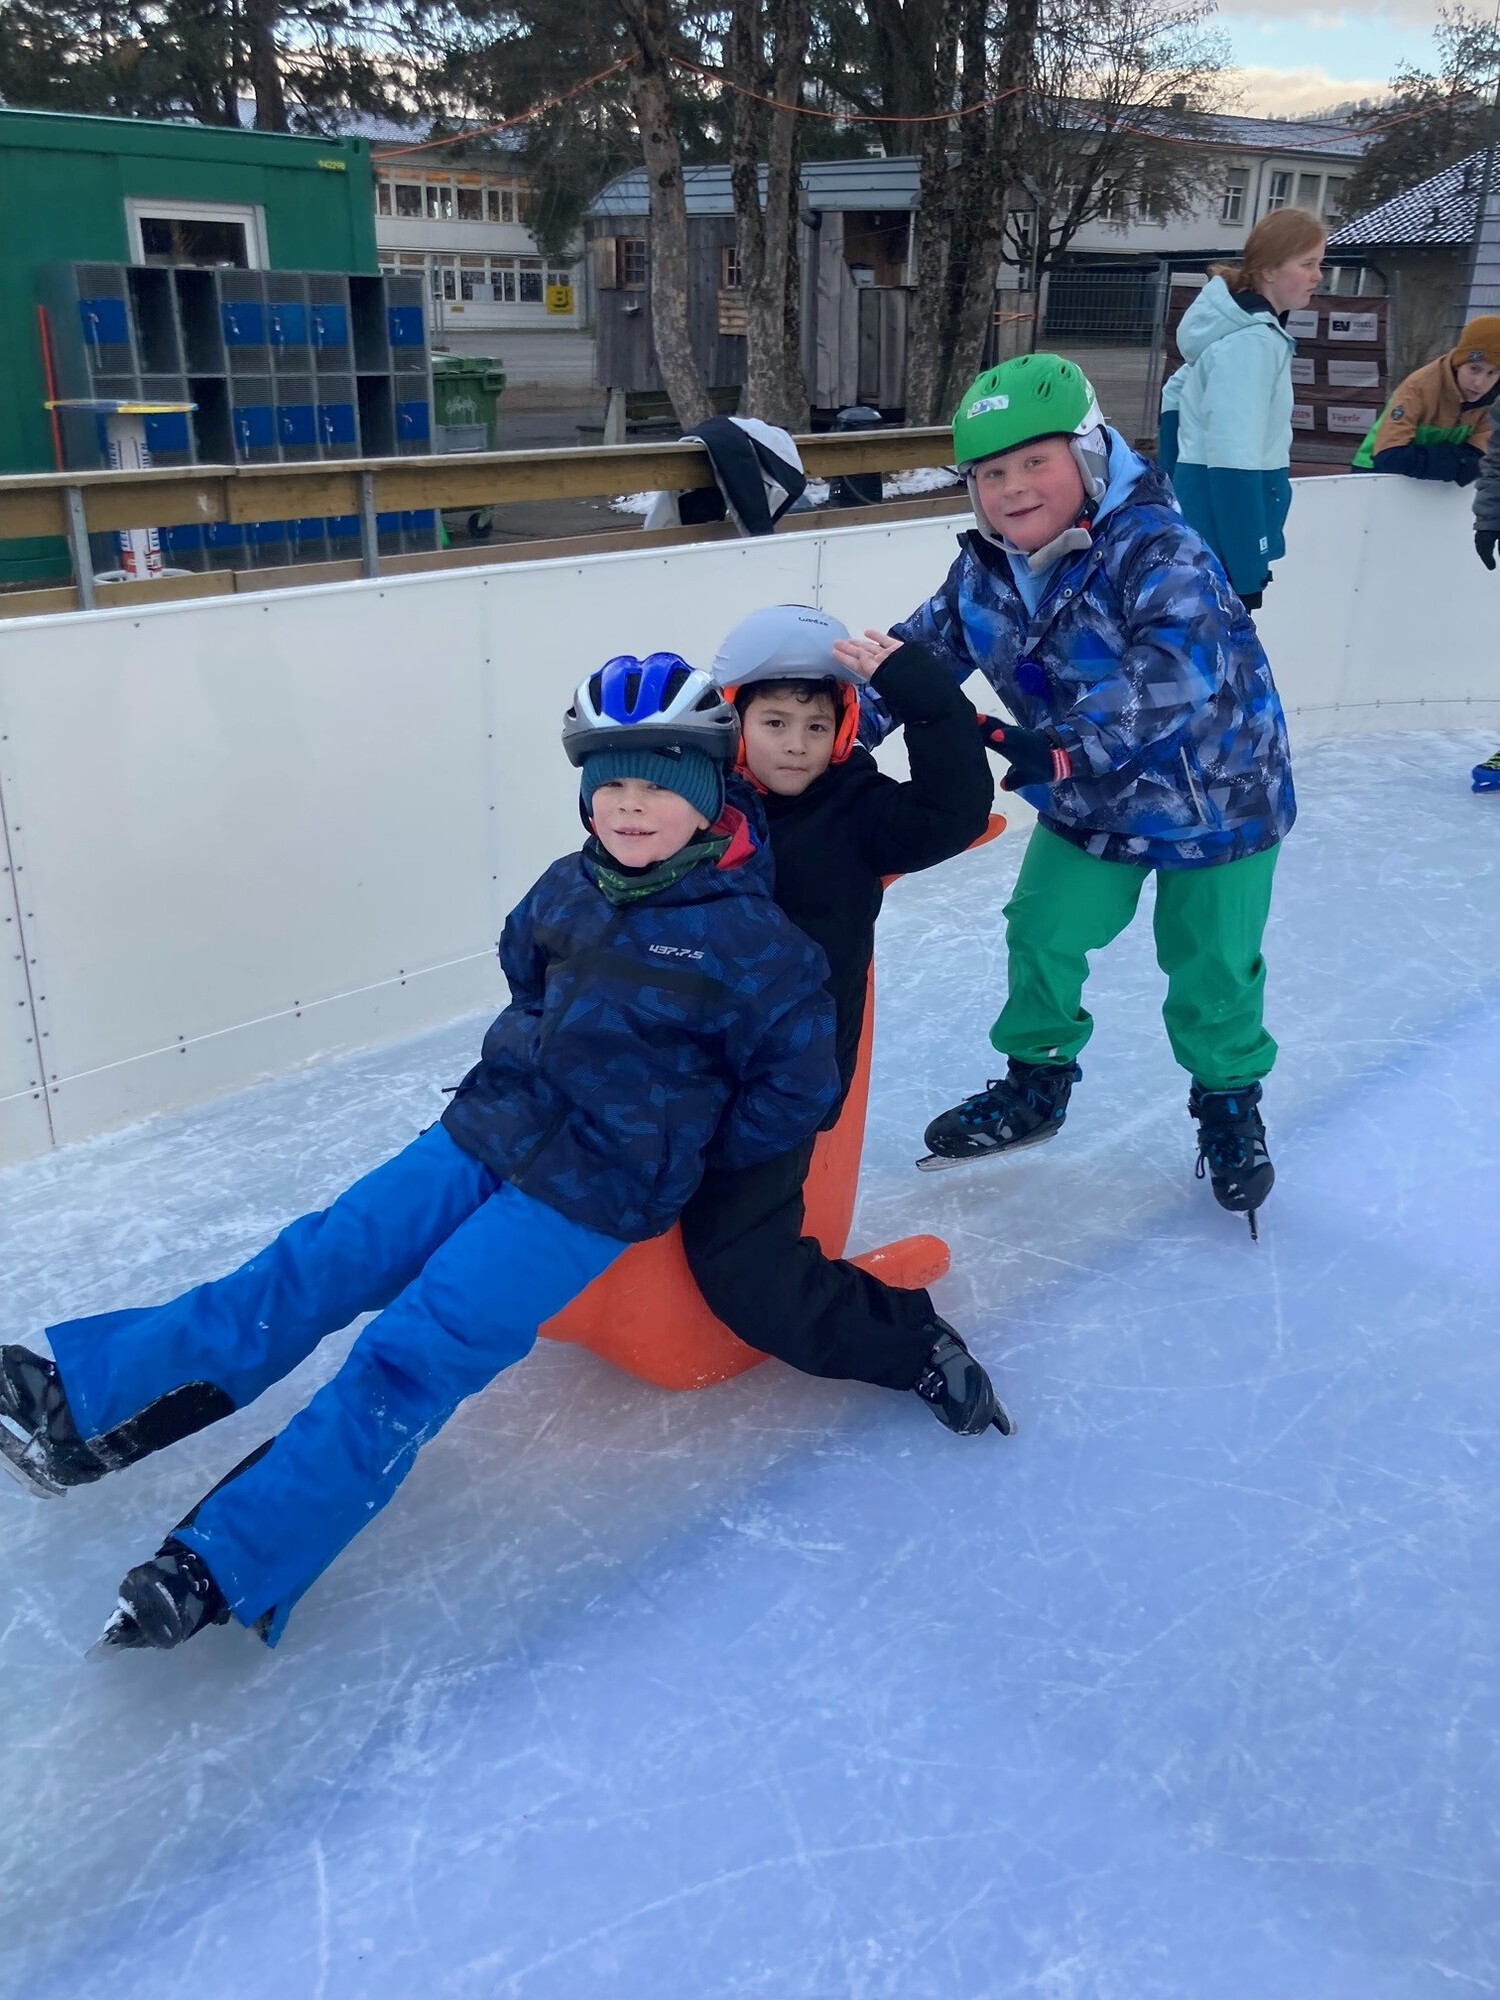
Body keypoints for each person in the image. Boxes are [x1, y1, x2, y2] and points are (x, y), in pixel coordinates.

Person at [0, 656, 840, 1655]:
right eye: (608, 782)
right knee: (313, 1260)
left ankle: (229, 1558)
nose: (629, 804)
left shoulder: (755, 942)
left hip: (588, 1190)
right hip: (482, 1131)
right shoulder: (568, 886)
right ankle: (91, 1396)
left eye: (657, 781)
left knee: (412, 1353)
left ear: (707, 792)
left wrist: (672, 1148)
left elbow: (794, 1089)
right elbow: (523, 965)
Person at [872, 353, 1295, 1237]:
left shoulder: (1159, 548)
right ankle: (1038, 1080)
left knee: (1212, 962)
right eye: (991, 472)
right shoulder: (983, 572)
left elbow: (1177, 670)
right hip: (1088, 798)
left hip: (1217, 798)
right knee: (1043, 929)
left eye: (1036, 461)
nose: (1013, 489)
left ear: (1090, 454)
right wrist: (821, 729)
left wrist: (1061, 746)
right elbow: (916, 661)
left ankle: (1226, 1102)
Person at [677, 603, 1011, 1437]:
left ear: (846, 727)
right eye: (776, 720)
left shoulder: (861, 813)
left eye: (817, 724)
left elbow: (954, 811)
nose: (796, 742)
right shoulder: (693, 803)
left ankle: (912, 1345)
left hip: (774, 1091)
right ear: (734, 721)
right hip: (668, 1061)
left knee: (743, 1272)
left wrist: (924, 697)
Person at [1159, 208, 1327, 611]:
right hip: (1220, 545)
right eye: (1307, 264)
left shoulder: (1236, 336)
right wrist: (1247, 564)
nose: (1318, 275)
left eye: (1319, 264)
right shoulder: (1251, 344)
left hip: (1205, 535)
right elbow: (1233, 462)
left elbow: (1174, 401)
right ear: (1269, 271)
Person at [1352, 318, 1500, 482]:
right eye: (1474, 369)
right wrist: (1455, 460)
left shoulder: (1494, 400)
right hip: (1373, 472)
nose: (1479, 383)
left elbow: (1480, 460)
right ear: (1459, 364)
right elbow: (1389, 457)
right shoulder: (1418, 387)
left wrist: (1456, 463)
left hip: (1433, 483)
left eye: (1492, 373)